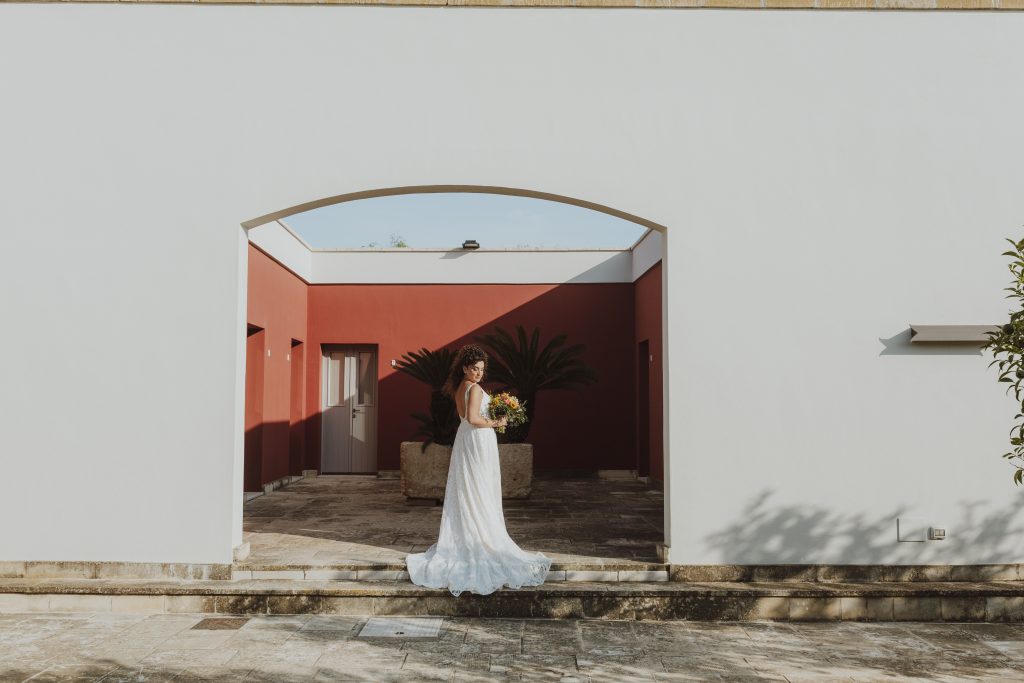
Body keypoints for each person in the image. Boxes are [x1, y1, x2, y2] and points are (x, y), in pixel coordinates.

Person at [406, 344, 551, 596]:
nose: (478, 373)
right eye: (474, 368)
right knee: (480, 488)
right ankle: (482, 538)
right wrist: (498, 421)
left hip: (467, 439)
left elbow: (466, 418)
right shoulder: (472, 389)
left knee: (471, 488)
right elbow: (473, 418)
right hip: (476, 438)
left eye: (482, 369)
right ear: (464, 368)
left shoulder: (460, 387)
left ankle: (471, 533)